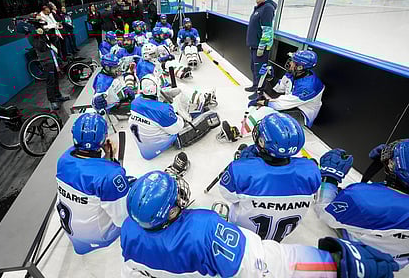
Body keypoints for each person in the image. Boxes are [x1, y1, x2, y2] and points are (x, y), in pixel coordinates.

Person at [121, 170, 399, 278]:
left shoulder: (128, 232)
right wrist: (332, 264)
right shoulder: (203, 230)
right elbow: (269, 263)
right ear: (170, 213)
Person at [218, 113, 321, 242]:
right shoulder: (311, 171)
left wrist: (244, 162)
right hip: (279, 240)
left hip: (242, 236)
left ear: (262, 141)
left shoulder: (241, 171)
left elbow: (226, 193)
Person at [314, 140, 409, 269]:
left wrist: (329, 177)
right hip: (393, 263)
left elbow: (325, 211)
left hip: (354, 258)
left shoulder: (361, 198)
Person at [56, 113, 131, 254]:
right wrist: (112, 162)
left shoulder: (63, 159)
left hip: (72, 231)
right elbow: (122, 219)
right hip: (100, 237)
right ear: (104, 138)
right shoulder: (110, 175)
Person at [129, 74, 219, 160]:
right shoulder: (163, 110)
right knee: (210, 115)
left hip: (146, 148)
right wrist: (175, 110)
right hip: (165, 144)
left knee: (178, 95)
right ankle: (202, 100)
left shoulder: (135, 102)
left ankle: (200, 99)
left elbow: (153, 106)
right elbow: (178, 127)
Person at [250, 50, 325, 127]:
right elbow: (278, 89)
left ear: (300, 67)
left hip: (302, 113)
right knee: (261, 108)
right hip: (289, 103)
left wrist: (263, 103)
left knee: (266, 114)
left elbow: (280, 105)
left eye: (293, 61)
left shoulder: (309, 86)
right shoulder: (292, 74)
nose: (290, 62)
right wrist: (269, 78)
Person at [245, 0, 277, 93]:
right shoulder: (260, 7)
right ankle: (255, 86)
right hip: (254, 46)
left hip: (260, 48)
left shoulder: (267, 8)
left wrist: (261, 47)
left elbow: (267, 30)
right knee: (254, 68)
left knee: (260, 71)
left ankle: (260, 92)